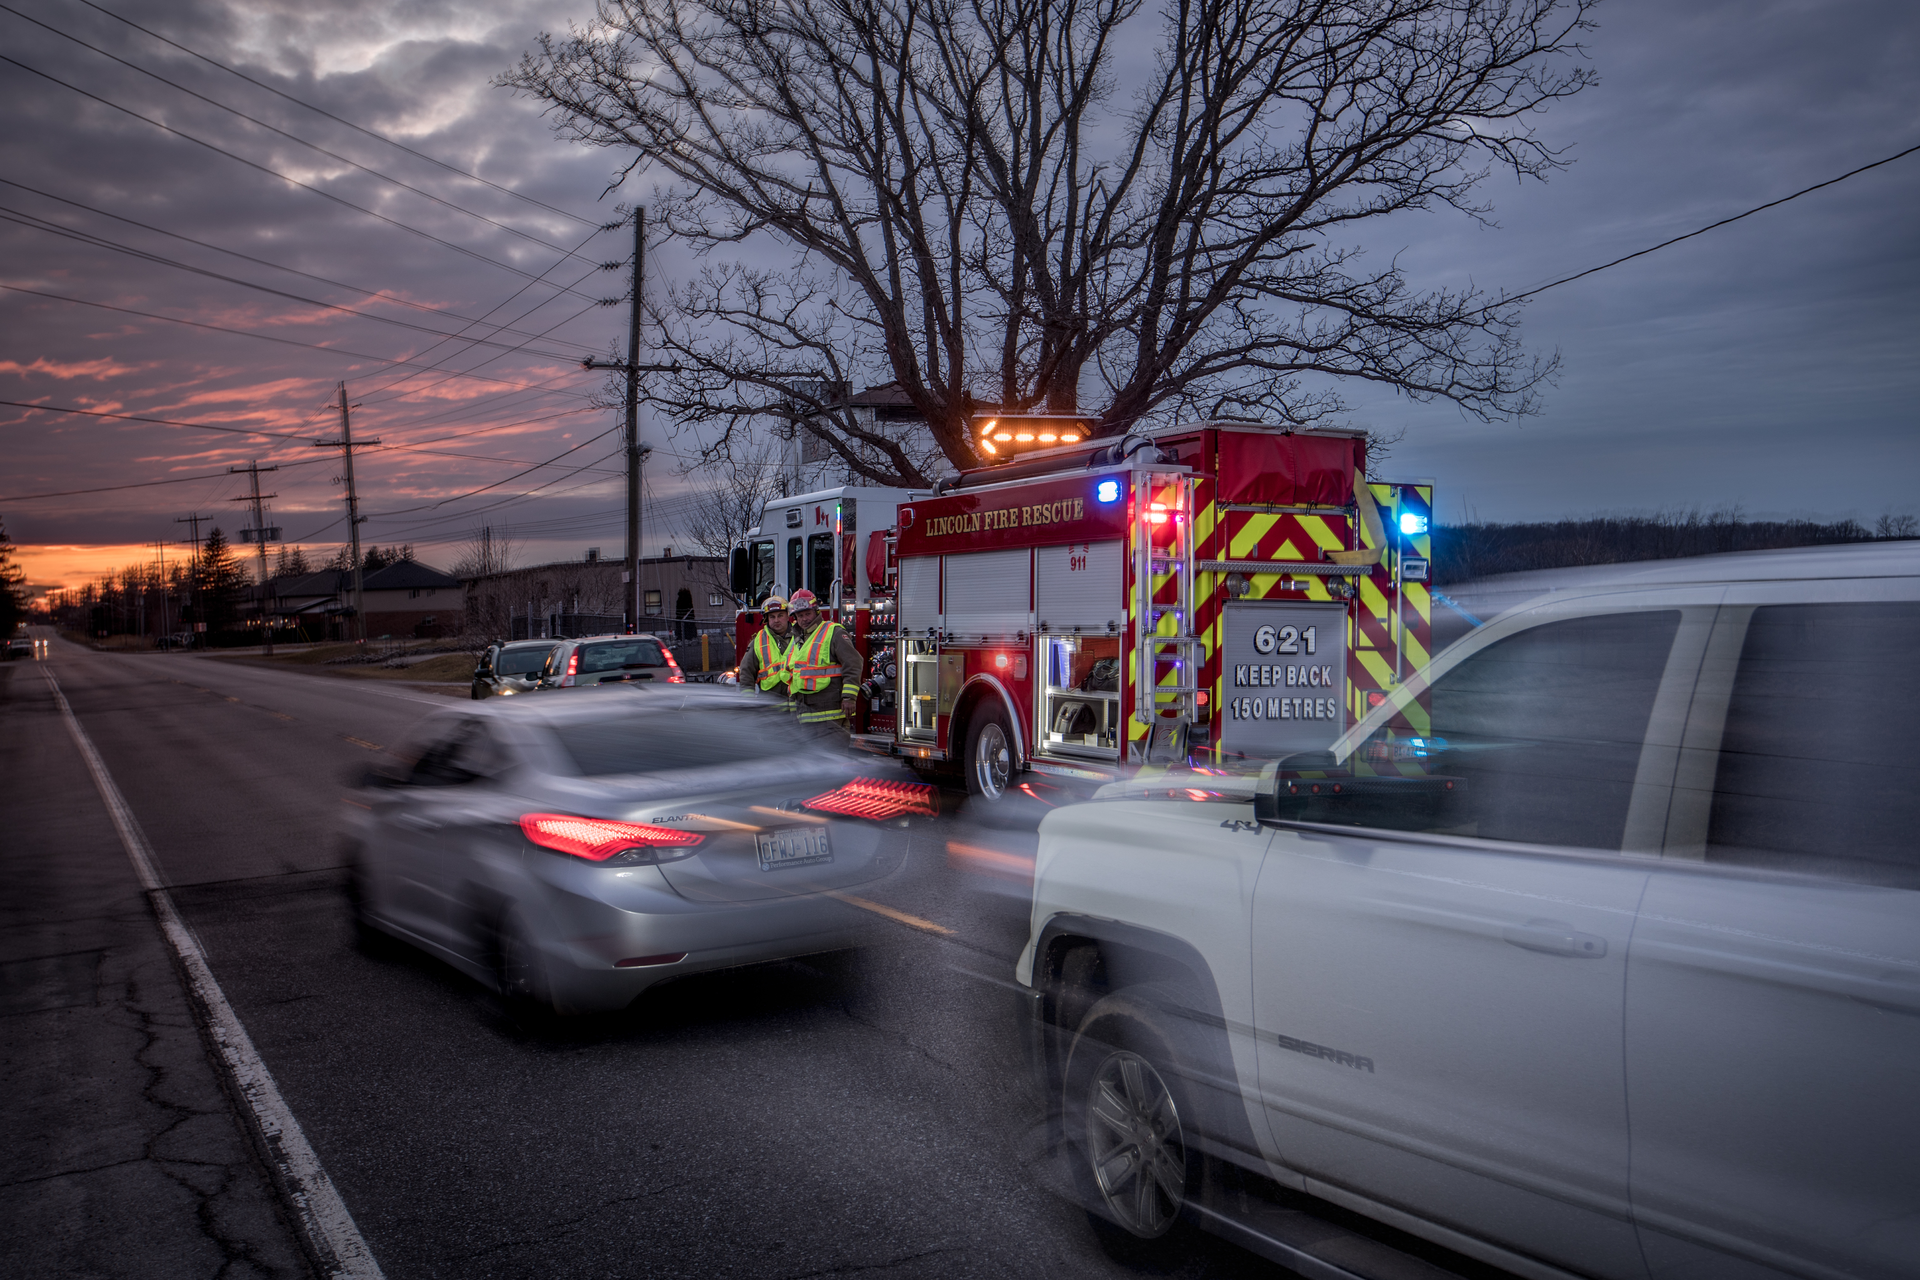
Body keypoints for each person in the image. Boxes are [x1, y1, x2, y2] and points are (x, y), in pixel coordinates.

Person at [785, 588, 863, 732]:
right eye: (800, 615)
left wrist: (849, 697)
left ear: (816, 611)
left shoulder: (834, 632)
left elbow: (853, 664)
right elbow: (793, 677)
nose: (804, 619)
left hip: (831, 716)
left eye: (807, 613)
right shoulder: (796, 640)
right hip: (805, 717)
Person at [735, 594, 794, 702]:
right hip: (771, 703)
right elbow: (747, 672)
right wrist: (748, 700)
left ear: (788, 615)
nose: (776, 620)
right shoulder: (758, 641)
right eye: (772, 617)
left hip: (798, 701)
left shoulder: (801, 636)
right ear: (766, 619)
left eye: (780, 615)